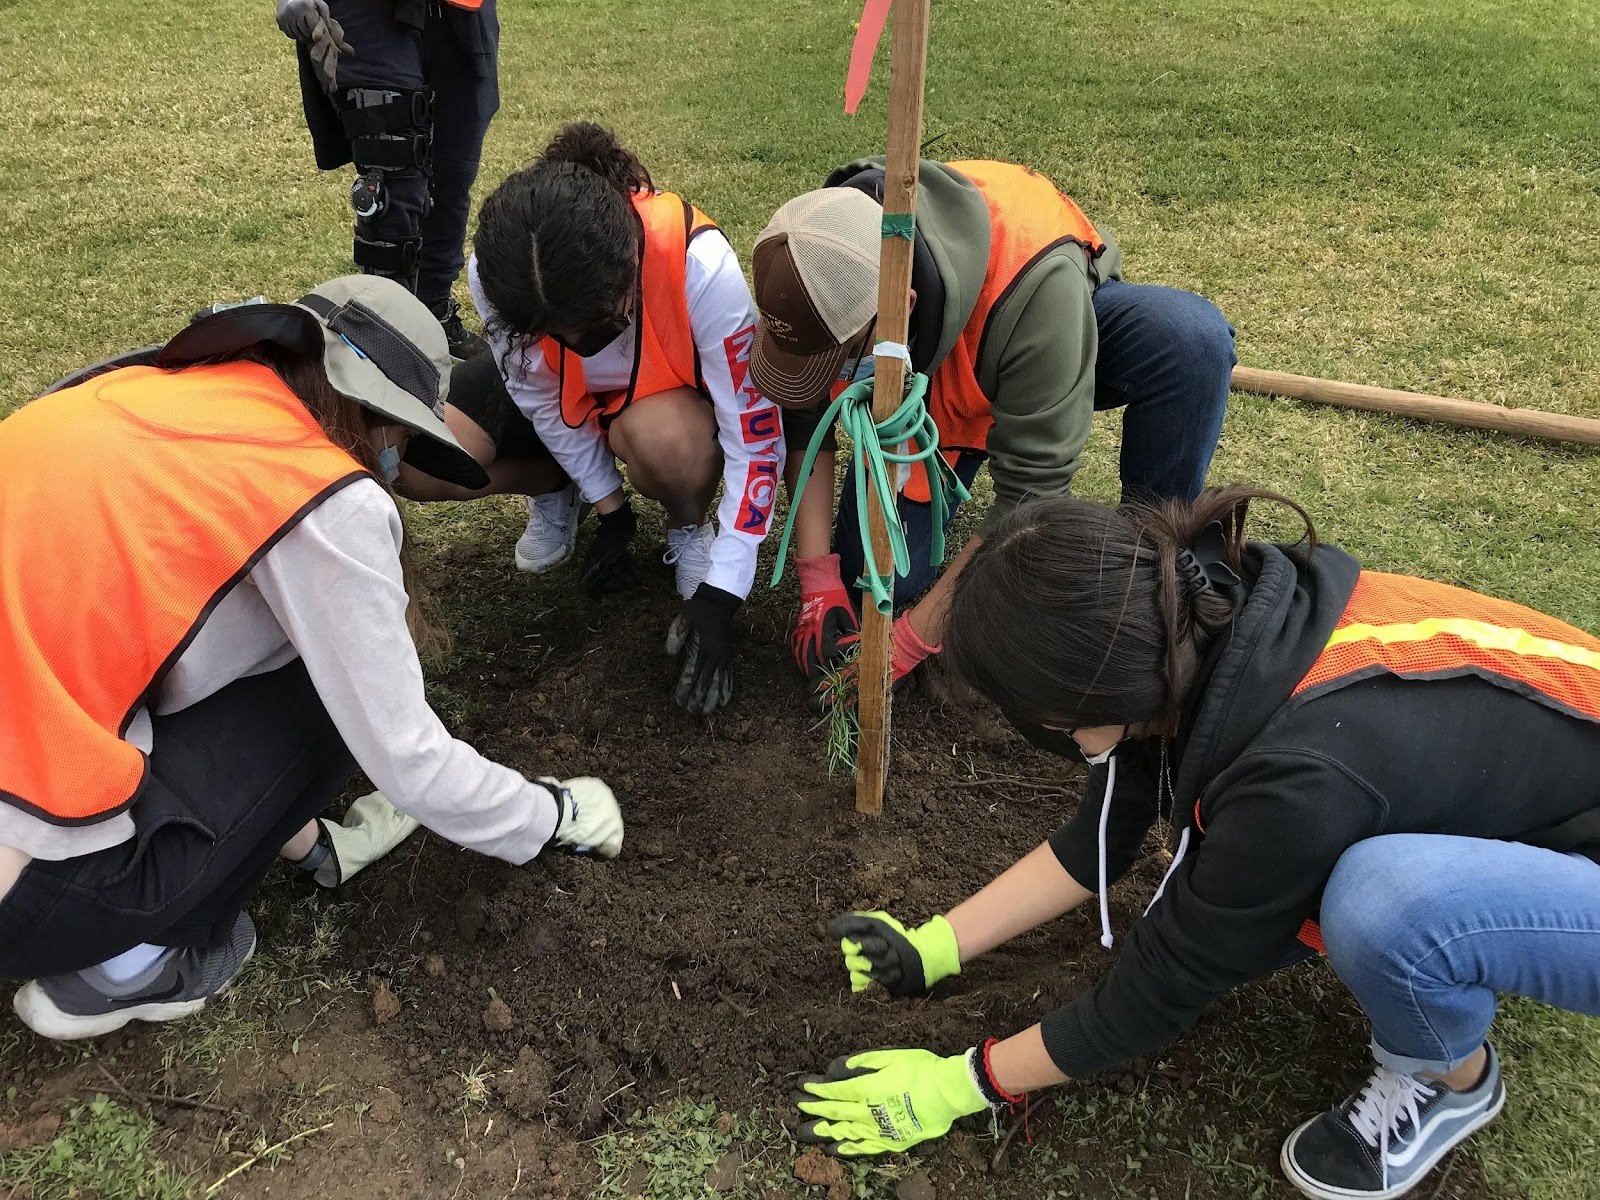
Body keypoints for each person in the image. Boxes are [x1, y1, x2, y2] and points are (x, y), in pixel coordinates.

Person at [792, 485, 1600, 1200]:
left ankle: (1450, 1078)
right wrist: (935, 946)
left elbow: (1161, 986)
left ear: (1073, 707)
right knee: (1310, 882)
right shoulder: (1199, 611)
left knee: (1381, 905)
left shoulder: (1293, 783)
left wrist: (961, 1084)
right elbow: (1102, 831)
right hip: (1525, 771)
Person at [0, 275, 623, 1041]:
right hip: (33, 907)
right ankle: (126, 968)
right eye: (399, 437)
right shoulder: (320, 492)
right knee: (323, 696)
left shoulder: (146, 394)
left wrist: (296, 838)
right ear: (373, 415)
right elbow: (409, 759)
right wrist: (554, 814)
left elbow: (122, 637)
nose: (395, 462)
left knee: (274, 654)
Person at [748, 157, 1235, 701]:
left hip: (1031, 336)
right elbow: (803, 411)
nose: (832, 379)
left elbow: (1032, 494)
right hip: (931, 388)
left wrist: (913, 638)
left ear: (897, 312)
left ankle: (1149, 568)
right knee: (877, 577)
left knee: (1189, 344)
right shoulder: (821, 251)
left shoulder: (1035, 291)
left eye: (837, 364)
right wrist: (817, 577)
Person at [403, 123, 784, 715]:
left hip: (658, 408)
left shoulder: (698, 265)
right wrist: (611, 506)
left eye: (599, 327)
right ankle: (563, 489)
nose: (579, 345)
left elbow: (755, 441)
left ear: (628, 269)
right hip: (565, 404)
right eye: (554, 333)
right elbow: (534, 395)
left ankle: (687, 527)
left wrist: (725, 591)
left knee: (665, 445)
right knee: (421, 462)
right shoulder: (501, 274)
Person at [275, 0, 499, 359]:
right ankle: (385, 339)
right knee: (395, 181)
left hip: (461, 14)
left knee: (451, 178)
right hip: (365, 15)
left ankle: (433, 315)